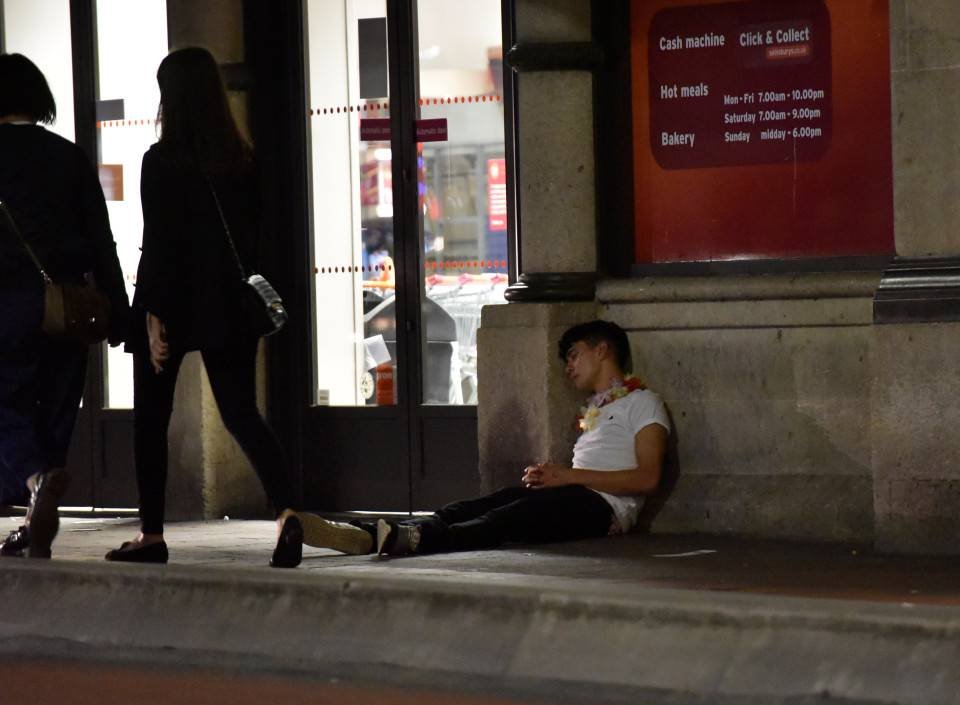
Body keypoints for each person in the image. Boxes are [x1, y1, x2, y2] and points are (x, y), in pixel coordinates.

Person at [103, 47, 301, 567]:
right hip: (230, 306)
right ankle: (288, 512)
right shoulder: (243, 161)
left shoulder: (160, 162)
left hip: (172, 305)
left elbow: (161, 245)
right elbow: (257, 240)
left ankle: (151, 535)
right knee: (241, 413)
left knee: (151, 420)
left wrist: (150, 315)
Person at [289, 320, 670, 558]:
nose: (569, 367)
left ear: (602, 350)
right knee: (474, 506)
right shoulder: (596, 408)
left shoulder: (643, 402)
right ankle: (363, 533)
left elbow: (648, 478)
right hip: (572, 493)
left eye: (574, 356)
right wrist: (556, 477)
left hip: (603, 508)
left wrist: (567, 476)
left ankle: (413, 540)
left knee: (504, 519)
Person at [0, 53, 130, 558]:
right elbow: (101, 239)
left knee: (6, 402)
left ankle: (36, 482)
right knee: (57, 405)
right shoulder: (69, 156)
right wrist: (119, 309)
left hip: (8, 304)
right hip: (69, 302)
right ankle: (38, 516)